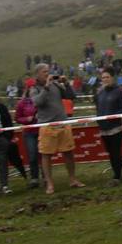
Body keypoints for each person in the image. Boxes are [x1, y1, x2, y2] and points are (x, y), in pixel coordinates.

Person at [30, 64, 83, 194]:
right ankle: (50, 184)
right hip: (47, 125)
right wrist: (46, 87)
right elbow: (37, 103)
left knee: (69, 152)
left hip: (62, 122)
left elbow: (70, 96)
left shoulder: (56, 85)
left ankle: (72, 179)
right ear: (37, 74)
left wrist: (66, 84)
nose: (47, 74)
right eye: (44, 72)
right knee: (46, 156)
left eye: (48, 71)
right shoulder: (34, 89)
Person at [93, 69, 122, 185]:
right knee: (110, 152)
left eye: (107, 77)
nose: (105, 79)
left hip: (115, 127)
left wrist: (114, 117)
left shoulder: (118, 92)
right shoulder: (100, 93)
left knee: (116, 152)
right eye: (103, 78)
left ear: (112, 78)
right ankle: (115, 172)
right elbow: (98, 108)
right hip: (103, 128)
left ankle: (117, 175)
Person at [14, 83, 39, 188]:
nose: (33, 89)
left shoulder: (40, 99)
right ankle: (34, 178)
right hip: (29, 132)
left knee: (44, 155)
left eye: (35, 87)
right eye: (31, 87)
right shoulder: (22, 103)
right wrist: (26, 119)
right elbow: (17, 118)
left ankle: (47, 177)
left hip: (42, 130)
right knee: (32, 155)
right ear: (28, 89)